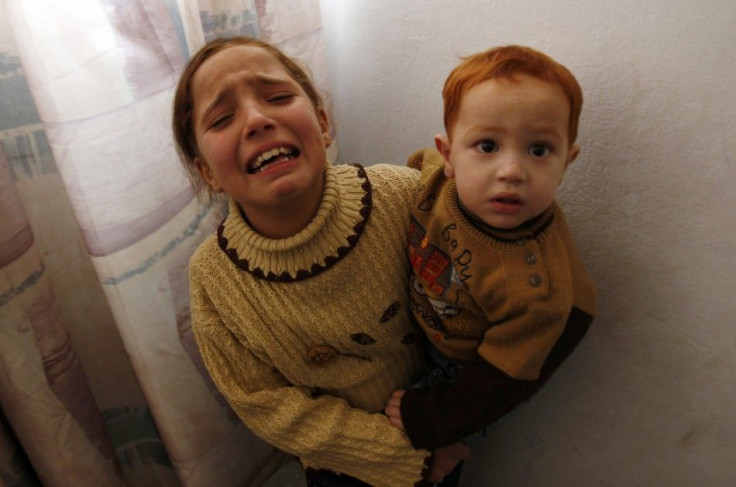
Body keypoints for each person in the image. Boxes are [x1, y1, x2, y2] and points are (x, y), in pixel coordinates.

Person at [171, 36, 468, 487]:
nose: (256, 119)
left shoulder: (401, 196)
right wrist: (405, 453)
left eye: (277, 97)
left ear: (323, 123)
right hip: (342, 466)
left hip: (442, 428)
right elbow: (265, 404)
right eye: (223, 118)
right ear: (207, 172)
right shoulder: (214, 281)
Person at [384, 45, 597, 453]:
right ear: (448, 155)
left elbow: (501, 382)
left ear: (566, 162)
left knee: (417, 445)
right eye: (486, 146)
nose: (512, 171)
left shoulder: (538, 292)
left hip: (469, 367)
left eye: (538, 150)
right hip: (422, 324)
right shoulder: (432, 178)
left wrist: (434, 419)